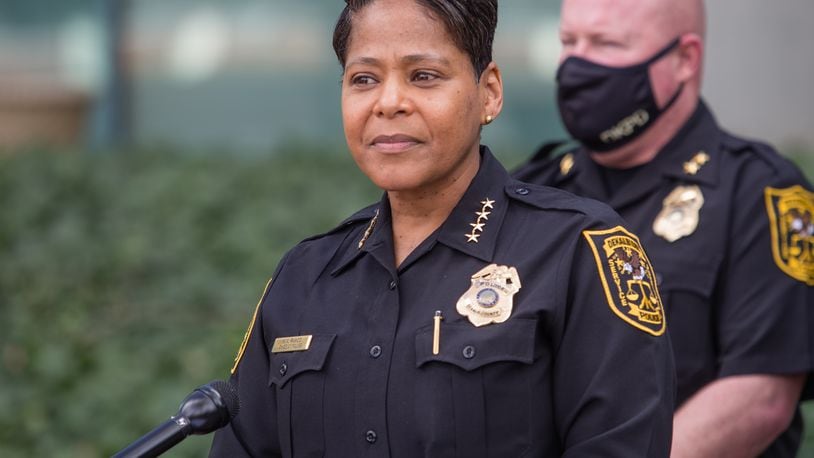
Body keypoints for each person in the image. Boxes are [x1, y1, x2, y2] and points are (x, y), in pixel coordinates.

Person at [210, 0, 675, 456]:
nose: (388, 103)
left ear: (488, 92)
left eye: (424, 76)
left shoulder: (577, 251)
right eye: (364, 79)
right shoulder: (303, 278)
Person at [513, 0, 814, 456]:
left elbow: (762, 398)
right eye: (569, 42)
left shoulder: (761, 192)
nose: (577, 64)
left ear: (684, 60)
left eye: (607, 43)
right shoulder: (531, 191)